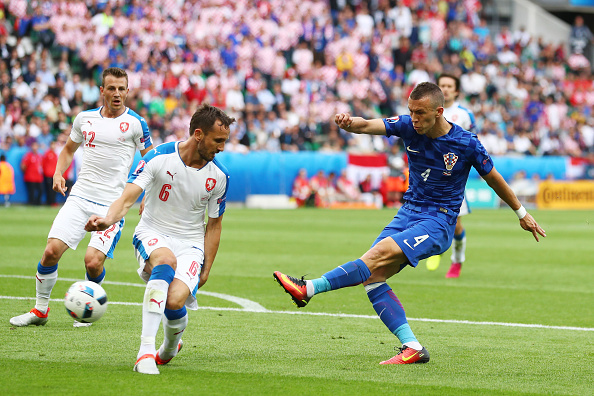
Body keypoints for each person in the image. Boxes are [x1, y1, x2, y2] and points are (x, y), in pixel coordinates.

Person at [273, 82, 546, 365]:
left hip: (438, 221)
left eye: (420, 113)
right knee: (372, 275)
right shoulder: (406, 126)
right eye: (411, 111)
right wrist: (348, 123)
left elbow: (494, 178)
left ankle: (308, 289)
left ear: (439, 112)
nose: (414, 118)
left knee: (375, 256)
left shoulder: (466, 143)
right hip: (408, 213)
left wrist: (521, 213)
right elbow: (366, 125)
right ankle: (412, 347)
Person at [85, 104, 235, 375]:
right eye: (218, 140)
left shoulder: (220, 176)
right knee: (165, 262)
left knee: (175, 301)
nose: (222, 147)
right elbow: (127, 197)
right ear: (198, 134)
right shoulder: (158, 157)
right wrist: (108, 220)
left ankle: (168, 348)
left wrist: (207, 268)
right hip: (153, 231)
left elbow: (214, 226)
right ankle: (144, 353)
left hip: (191, 243)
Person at [10, 67, 154, 327]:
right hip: (79, 197)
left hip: (112, 204)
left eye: (122, 89)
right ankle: (40, 311)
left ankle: (89, 305)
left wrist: (148, 195)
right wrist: (57, 172)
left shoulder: (136, 123)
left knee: (93, 262)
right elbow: (67, 150)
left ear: (128, 91)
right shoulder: (84, 119)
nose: (117, 93)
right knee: (51, 251)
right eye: (111, 88)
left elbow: (151, 162)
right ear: (102, 91)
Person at [425, 73, 478, 277]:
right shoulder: (429, 110)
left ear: (456, 90)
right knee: (427, 216)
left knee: (456, 224)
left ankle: (457, 261)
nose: (445, 89)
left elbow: (474, 142)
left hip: (454, 175)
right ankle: (434, 249)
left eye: (449, 86)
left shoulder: (464, 114)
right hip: (430, 173)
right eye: (442, 85)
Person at [21, 141, 44, 205]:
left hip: (39, 177)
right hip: (30, 177)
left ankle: (37, 203)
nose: (35, 148)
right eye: (34, 146)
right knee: (32, 192)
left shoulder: (40, 156)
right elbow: (23, 166)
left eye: (36, 146)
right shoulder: (28, 155)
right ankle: (31, 203)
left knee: (40, 190)